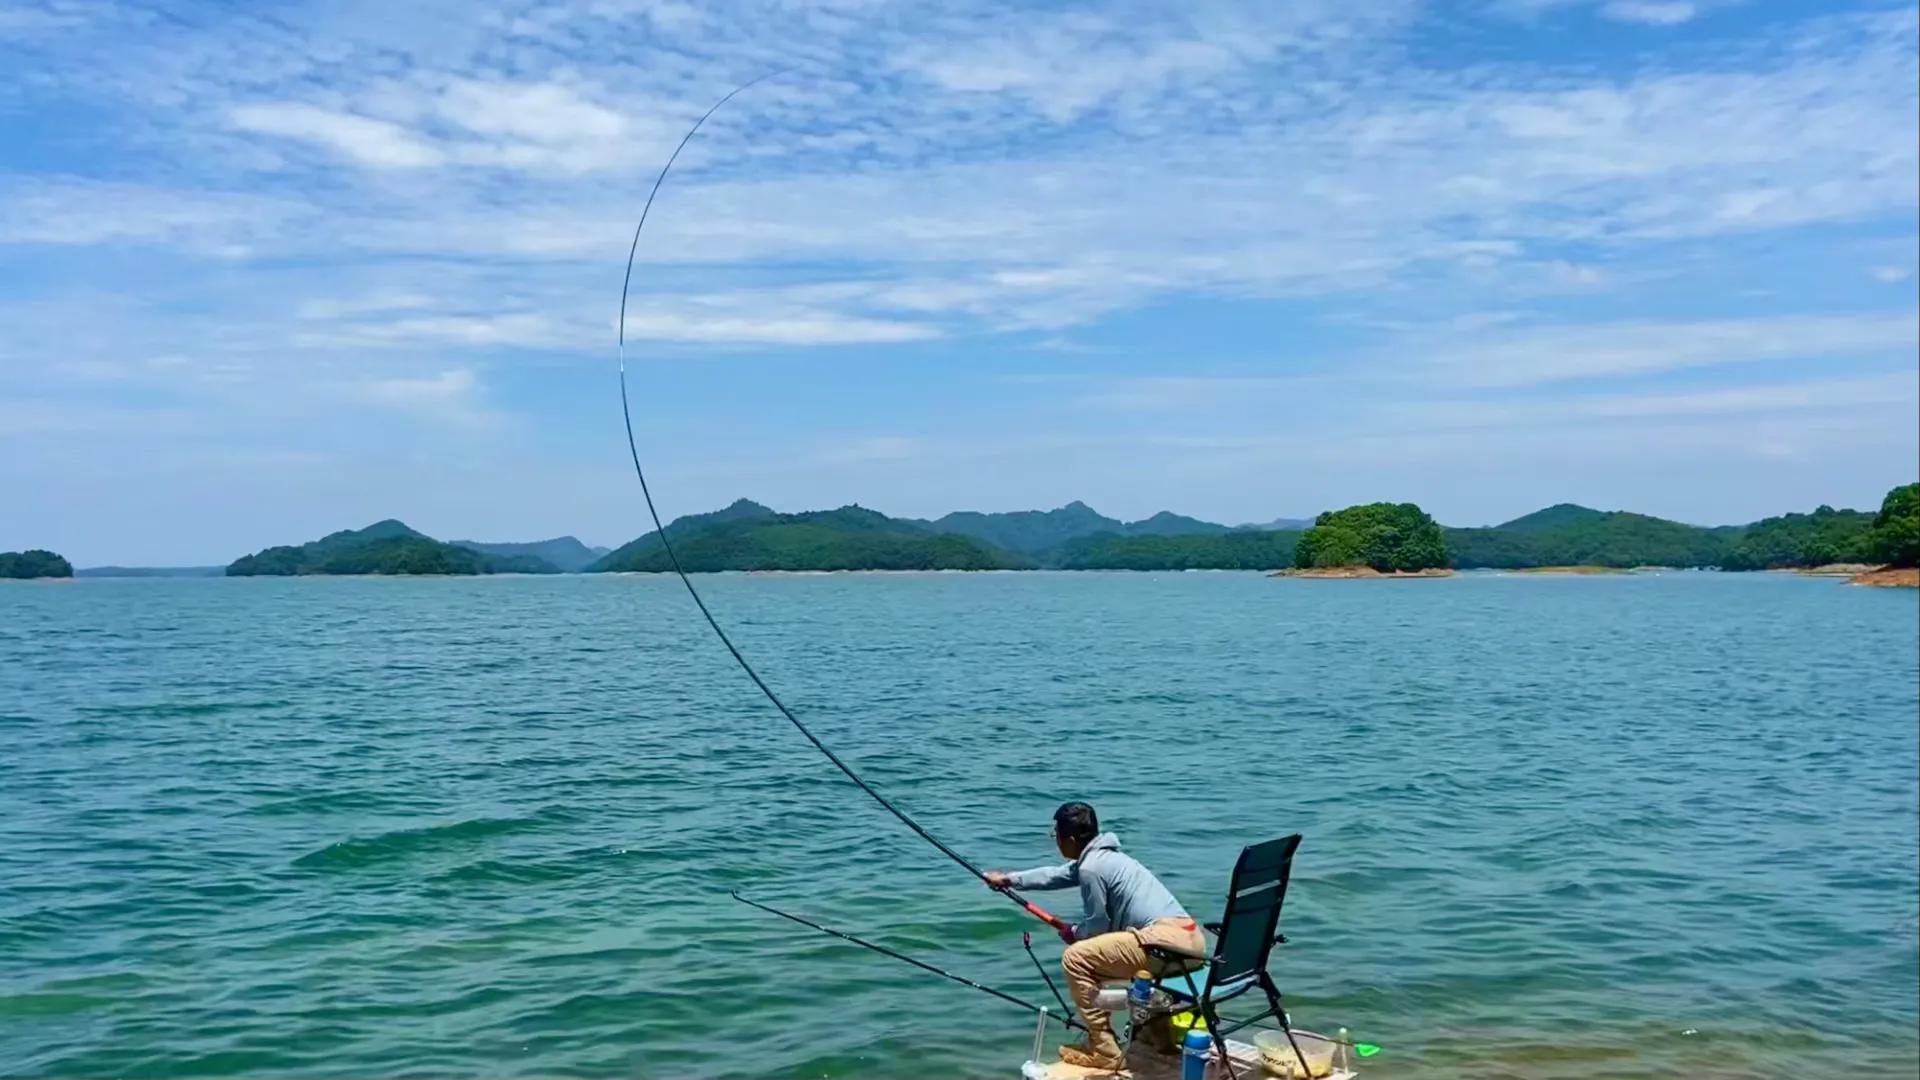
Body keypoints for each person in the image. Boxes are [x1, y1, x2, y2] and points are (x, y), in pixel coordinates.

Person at [986, 801, 1205, 1070]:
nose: (1055, 841)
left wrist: (1075, 933)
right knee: (1110, 953)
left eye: (1056, 835)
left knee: (1076, 959)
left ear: (1070, 839)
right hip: (1190, 942)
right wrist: (1009, 879)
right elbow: (1057, 875)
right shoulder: (1107, 859)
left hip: (1165, 945)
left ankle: (1104, 1049)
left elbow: (1097, 927)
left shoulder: (1092, 869)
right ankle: (1158, 1039)